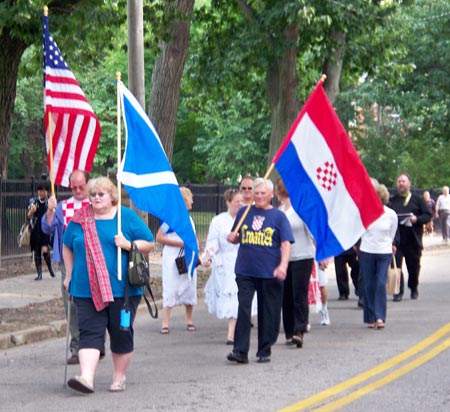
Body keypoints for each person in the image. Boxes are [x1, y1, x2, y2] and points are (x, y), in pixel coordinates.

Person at [63, 177, 154, 394]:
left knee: (121, 333)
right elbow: (67, 246)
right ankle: (86, 378)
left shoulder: (126, 217)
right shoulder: (79, 220)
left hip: (122, 291)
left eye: (100, 194)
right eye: (92, 194)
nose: (96, 198)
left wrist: (129, 244)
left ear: (112, 196)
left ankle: (119, 376)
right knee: (89, 333)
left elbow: (149, 242)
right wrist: (68, 274)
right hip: (86, 290)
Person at [227, 178, 293, 364]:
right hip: (246, 270)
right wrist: (232, 237)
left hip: (269, 272)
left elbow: (286, 244)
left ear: (271, 195)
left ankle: (264, 349)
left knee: (268, 311)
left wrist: (283, 266)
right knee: (244, 309)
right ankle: (240, 351)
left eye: (264, 193)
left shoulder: (279, 217)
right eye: (257, 192)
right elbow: (236, 237)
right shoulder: (244, 212)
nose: (260, 196)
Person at [41, 170, 90, 365]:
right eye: (74, 187)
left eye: (81, 186)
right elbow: (46, 228)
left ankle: (95, 342)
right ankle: (77, 348)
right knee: (71, 303)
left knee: (95, 302)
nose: (78, 190)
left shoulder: (96, 203)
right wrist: (50, 210)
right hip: (68, 262)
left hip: (92, 261)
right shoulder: (63, 206)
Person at [203, 188, 256, 344]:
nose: (240, 204)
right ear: (228, 202)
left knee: (241, 296)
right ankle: (234, 331)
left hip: (244, 260)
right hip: (226, 264)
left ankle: (233, 333)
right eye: (236, 201)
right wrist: (208, 256)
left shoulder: (248, 217)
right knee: (232, 296)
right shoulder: (218, 221)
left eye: (242, 201)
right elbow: (213, 242)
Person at [275, 178, 314, 348]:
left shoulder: (301, 209)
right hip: (284, 258)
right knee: (286, 295)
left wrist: (322, 255)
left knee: (299, 293)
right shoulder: (279, 211)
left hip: (302, 255)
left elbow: (312, 232)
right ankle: (290, 330)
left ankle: (300, 329)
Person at [156, 187, 198, 334]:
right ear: (184, 199)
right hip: (172, 255)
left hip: (187, 255)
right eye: (190, 198)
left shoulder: (189, 218)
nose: (192, 201)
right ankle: (165, 321)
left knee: (189, 284)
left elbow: (193, 238)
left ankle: (189, 319)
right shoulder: (170, 218)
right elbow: (159, 238)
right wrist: (179, 243)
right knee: (170, 286)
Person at [359, 181, 398, 329]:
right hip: (367, 250)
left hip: (384, 252)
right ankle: (370, 317)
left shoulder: (391, 215)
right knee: (368, 284)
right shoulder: (365, 212)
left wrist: (389, 244)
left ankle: (380, 316)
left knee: (381, 283)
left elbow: (392, 233)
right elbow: (360, 230)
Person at [389, 173, 432, 301]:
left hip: (413, 240)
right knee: (396, 266)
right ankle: (398, 292)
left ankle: (413, 287)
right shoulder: (392, 200)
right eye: (399, 181)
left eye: (403, 181)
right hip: (397, 240)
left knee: (413, 267)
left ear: (409, 183)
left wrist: (416, 219)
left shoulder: (417, 199)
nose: (401, 184)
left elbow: (428, 215)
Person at [27, 181, 55, 281]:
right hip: (36, 229)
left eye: (43, 190)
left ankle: (50, 267)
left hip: (46, 230)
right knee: (37, 251)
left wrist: (52, 209)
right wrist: (31, 211)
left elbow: (54, 215)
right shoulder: (33, 201)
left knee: (45, 250)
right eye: (39, 190)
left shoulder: (50, 202)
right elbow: (29, 216)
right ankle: (39, 274)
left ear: (47, 191)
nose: (41, 193)